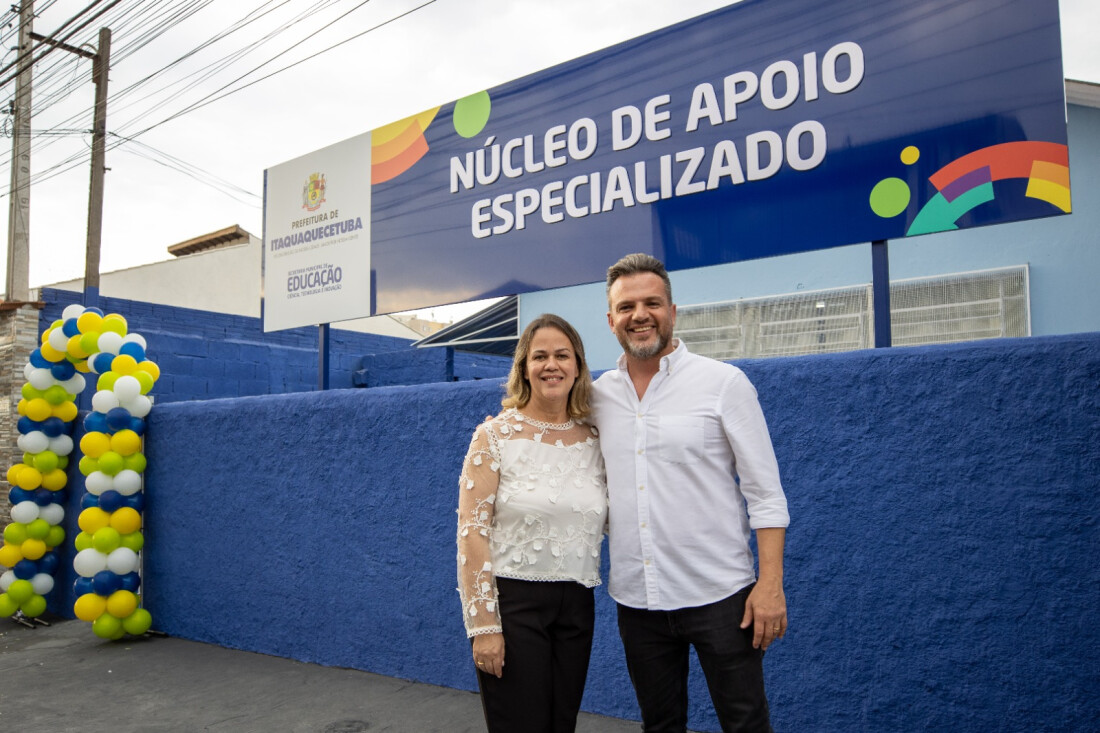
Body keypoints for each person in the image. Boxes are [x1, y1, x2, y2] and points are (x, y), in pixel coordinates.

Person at [591, 253, 790, 733]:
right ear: (611, 320)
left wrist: (770, 585)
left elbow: (765, 494)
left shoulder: (723, 383)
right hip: (638, 603)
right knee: (660, 726)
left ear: (673, 311)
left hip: (722, 598)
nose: (640, 315)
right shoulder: (596, 397)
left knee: (745, 723)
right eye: (627, 306)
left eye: (652, 303)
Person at [456, 313, 608, 733]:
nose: (551, 365)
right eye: (539, 356)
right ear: (524, 367)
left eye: (562, 355)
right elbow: (471, 533)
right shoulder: (494, 436)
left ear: (577, 365)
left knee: (561, 725)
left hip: (577, 604)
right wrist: (484, 625)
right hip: (514, 603)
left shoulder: (596, 437)